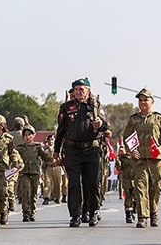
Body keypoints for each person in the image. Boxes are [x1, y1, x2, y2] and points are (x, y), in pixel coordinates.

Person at [53, 78, 108, 227]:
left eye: (82, 89)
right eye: (76, 89)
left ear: (88, 91)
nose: (78, 92)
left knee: (92, 183)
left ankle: (92, 211)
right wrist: (56, 151)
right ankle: (75, 215)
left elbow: (106, 125)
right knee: (74, 184)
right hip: (72, 150)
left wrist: (100, 124)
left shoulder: (95, 106)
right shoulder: (66, 107)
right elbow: (61, 130)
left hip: (92, 149)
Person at [123, 88, 161, 228]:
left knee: (156, 187)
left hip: (155, 159)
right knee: (140, 187)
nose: (143, 102)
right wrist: (131, 151)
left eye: (146, 100)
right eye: (140, 100)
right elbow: (126, 137)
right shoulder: (134, 119)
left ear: (152, 102)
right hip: (139, 160)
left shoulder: (158, 118)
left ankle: (154, 213)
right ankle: (142, 216)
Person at [15, 125, 52, 222]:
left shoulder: (37, 147)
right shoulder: (19, 148)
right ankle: (26, 213)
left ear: (33, 135)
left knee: (33, 194)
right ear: (23, 137)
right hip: (24, 173)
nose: (27, 137)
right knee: (26, 193)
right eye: (25, 135)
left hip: (35, 173)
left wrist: (53, 159)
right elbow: (14, 157)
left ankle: (32, 212)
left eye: (29, 135)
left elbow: (44, 157)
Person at [115, 145, 136, 223]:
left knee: (136, 197)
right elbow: (118, 168)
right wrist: (117, 162)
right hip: (126, 180)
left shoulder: (135, 156)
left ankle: (134, 210)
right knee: (128, 197)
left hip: (135, 180)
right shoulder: (121, 158)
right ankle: (128, 215)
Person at [41, 134, 61, 204]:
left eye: (52, 139)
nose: (50, 141)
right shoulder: (44, 149)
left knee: (57, 183)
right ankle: (46, 197)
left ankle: (58, 197)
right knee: (47, 183)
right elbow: (42, 159)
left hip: (56, 167)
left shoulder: (58, 148)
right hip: (48, 167)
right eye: (49, 139)